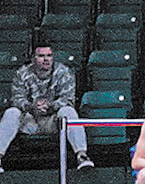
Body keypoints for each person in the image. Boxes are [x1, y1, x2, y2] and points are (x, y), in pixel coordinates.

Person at [0, 43, 92, 173]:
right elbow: (17, 99)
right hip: (30, 122)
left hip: (52, 121)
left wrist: (50, 106)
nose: (46, 59)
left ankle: (82, 155)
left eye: (49, 55)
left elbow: (68, 99)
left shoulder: (63, 72)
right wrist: (32, 107)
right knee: (12, 112)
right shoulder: (22, 73)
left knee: (68, 111)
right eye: (41, 56)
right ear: (33, 58)